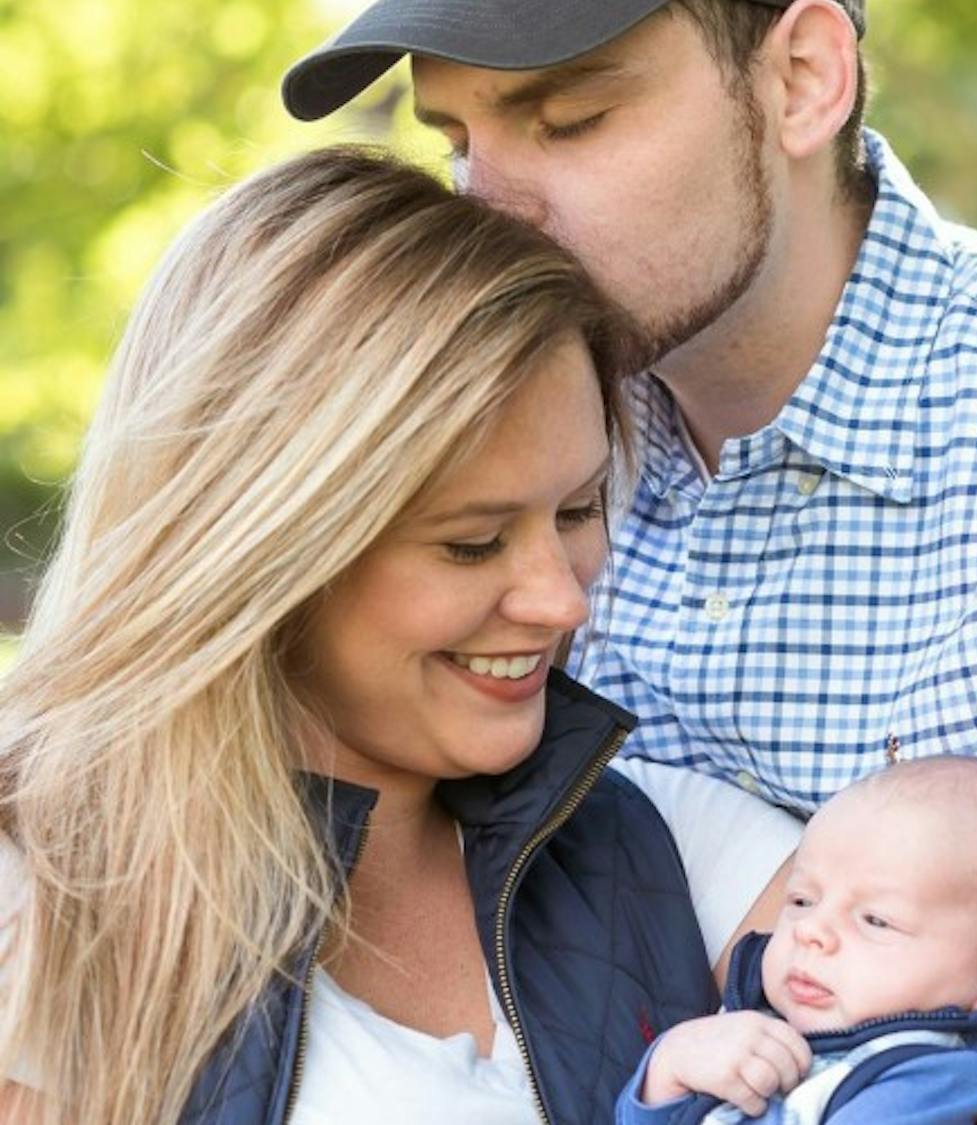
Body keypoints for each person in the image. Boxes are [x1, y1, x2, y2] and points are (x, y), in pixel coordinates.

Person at [282, 0, 977, 1119]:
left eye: (569, 119)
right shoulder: (488, 468)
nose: (493, 207)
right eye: (458, 142)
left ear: (803, 79)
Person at [0, 146, 808, 1125]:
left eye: (579, 509)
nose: (563, 602)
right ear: (266, 542)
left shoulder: (680, 849)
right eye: (473, 544)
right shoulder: (38, 900)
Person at [616, 757, 977, 1123]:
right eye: (801, 900)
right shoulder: (756, 1013)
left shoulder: (923, 1078)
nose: (812, 931)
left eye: (876, 921)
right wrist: (666, 1075)